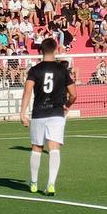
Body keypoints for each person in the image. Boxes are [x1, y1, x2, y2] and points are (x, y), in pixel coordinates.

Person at [19, 38, 76, 196]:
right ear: (56, 50)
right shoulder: (62, 69)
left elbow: (27, 91)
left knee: (37, 147)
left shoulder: (34, 70)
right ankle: (51, 184)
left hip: (39, 113)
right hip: (56, 114)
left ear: (40, 51)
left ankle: (33, 183)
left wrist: (23, 113)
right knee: (54, 147)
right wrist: (67, 105)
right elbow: (74, 94)